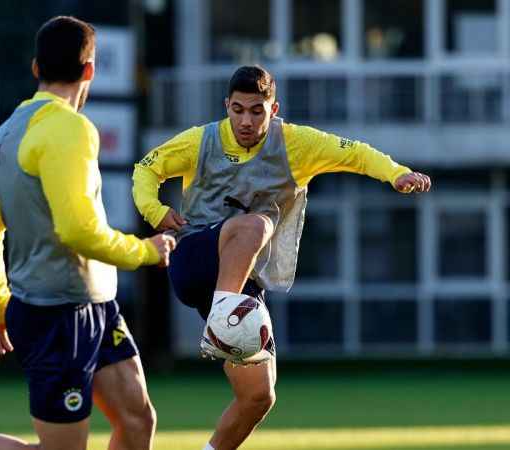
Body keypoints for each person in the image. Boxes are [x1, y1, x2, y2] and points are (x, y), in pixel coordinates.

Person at [0, 15, 175, 450]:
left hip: (97, 305)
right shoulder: (71, 127)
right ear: (90, 70)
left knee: (137, 420)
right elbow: (77, 230)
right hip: (55, 314)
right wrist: (145, 251)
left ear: (36, 67)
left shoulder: (7, 132)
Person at [131, 65, 432, 450]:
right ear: (226, 106)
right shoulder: (201, 140)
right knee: (256, 224)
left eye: (256, 111)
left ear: (273, 110)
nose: (245, 120)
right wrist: (154, 211)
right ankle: (222, 322)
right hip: (194, 258)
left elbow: (355, 153)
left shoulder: (295, 143)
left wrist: (396, 174)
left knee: (259, 396)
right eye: (238, 110)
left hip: (240, 280)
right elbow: (147, 168)